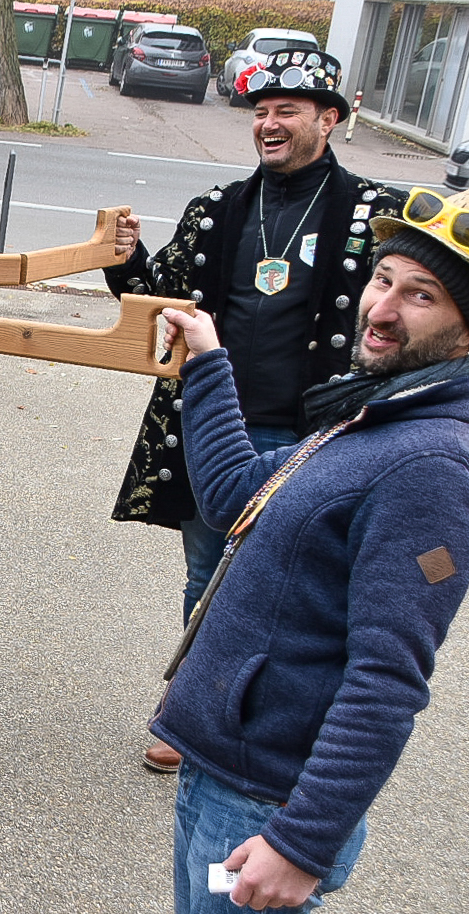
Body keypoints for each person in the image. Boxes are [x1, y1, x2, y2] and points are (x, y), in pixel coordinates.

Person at [153, 186, 469, 913]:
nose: (381, 309)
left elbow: (386, 678)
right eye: (383, 279)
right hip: (221, 775)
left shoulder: (431, 465)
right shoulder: (376, 414)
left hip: (264, 808)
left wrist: (301, 842)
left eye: (421, 295)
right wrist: (207, 360)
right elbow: (235, 495)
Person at [101, 49, 405, 773]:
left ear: (327, 120)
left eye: (286, 111)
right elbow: (152, 292)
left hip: (323, 432)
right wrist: (122, 255)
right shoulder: (217, 209)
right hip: (219, 426)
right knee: (208, 576)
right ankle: (193, 713)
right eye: (261, 112)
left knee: (307, 581)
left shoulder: (377, 214)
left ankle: (291, 724)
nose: (268, 123)